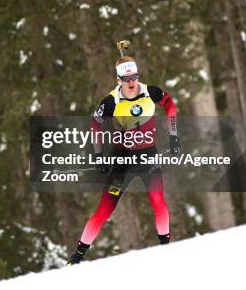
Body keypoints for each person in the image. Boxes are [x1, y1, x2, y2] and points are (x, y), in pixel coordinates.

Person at [67, 56, 181, 264]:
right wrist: (99, 154)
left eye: (134, 77)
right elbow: (95, 123)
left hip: (148, 157)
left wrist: (173, 134)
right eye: (125, 78)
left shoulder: (151, 92)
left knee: (157, 201)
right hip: (121, 162)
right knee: (105, 208)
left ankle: (166, 248)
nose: (131, 82)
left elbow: (170, 105)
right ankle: (77, 257)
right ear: (118, 79)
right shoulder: (111, 101)